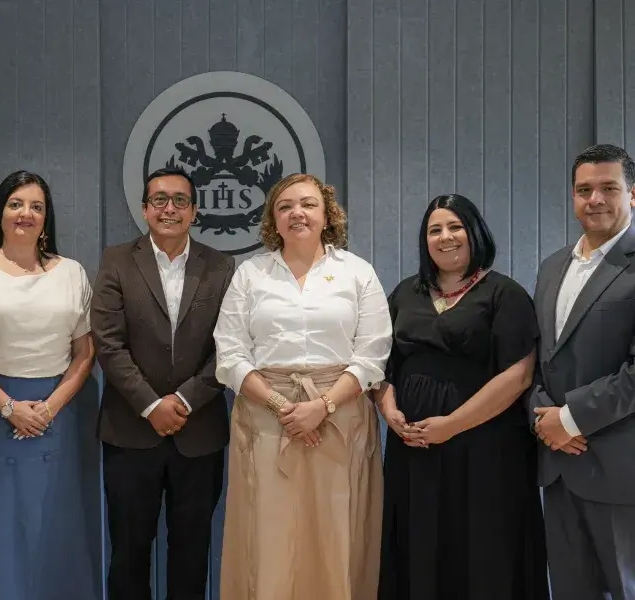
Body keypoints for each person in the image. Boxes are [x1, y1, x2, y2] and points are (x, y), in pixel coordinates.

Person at [213, 173, 392, 599]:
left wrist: (322, 406)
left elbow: (372, 354)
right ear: (273, 220)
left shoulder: (357, 273)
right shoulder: (250, 274)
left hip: (341, 417)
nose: (298, 212)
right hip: (265, 418)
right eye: (285, 206)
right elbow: (229, 355)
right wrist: (283, 406)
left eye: (309, 204)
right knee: (268, 535)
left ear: (327, 214)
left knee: (336, 531)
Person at [376, 193, 549, 600]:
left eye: (455, 226)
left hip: (486, 448)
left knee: (482, 547)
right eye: (435, 229)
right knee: (418, 544)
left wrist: (451, 426)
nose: (445, 237)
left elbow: (519, 375)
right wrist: (389, 411)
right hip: (414, 449)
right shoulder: (405, 293)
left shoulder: (504, 293)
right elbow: (382, 366)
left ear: (475, 233)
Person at [0, 171, 97, 600]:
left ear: (46, 219)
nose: (25, 213)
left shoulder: (72, 273)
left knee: (53, 525)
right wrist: (10, 407)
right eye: (15, 204)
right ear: (0, 213)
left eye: (36, 206)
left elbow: (85, 353)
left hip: (57, 417)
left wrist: (48, 408)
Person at [91, 166, 235, 600]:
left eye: (179, 201)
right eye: (159, 200)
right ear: (144, 209)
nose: (168, 209)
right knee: (129, 553)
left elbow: (230, 347)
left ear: (194, 211)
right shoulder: (117, 260)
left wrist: (186, 400)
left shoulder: (222, 266)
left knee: (192, 551)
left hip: (200, 433)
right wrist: (153, 405)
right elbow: (108, 343)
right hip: (130, 431)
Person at [530, 144, 635, 600]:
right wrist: (541, 416)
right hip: (557, 465)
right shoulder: (553, 266)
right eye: (584, 189)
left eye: (609, 188)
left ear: (633, 194)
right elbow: (537, 357)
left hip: (618, 467)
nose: (595, 199)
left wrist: (568, 419)